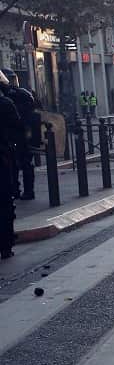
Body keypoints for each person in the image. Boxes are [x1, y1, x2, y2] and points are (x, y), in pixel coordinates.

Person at [1, 70, 36, 200]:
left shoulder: (15, 96)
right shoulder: (21, 94)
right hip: (18, 133)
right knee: (16, 163)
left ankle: (25, 190)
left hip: (17, 134)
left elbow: (19, 118)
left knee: (20, 163)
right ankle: (17, 190)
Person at [0, 71, 21, 258]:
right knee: (5, 200)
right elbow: (17, 126)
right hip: (2, 156)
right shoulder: (6, 103)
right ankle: (6, 245)